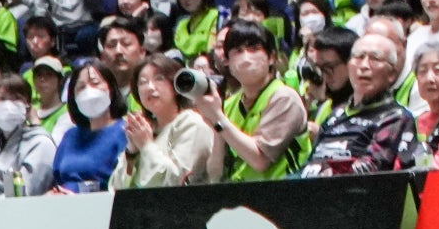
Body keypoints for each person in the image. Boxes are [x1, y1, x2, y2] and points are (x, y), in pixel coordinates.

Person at [196, 19, 309, 182]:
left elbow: (260, 160)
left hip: (284, 191)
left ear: (271, 57)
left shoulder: (284, 98)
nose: (246, 58)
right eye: (238, 51)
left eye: (254, 49)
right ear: (227, 61)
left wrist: (218, 118)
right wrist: (216, 123)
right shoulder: (229, 104)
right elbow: (215, 173)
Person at [304, 30, 420, 175]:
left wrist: (324, 172)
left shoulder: (395, 117)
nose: (364, 66)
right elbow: (309, 163)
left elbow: (372, 168)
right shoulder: (335, 115)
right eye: (359, 57)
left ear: (391, 74)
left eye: (375, 58)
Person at [114, 54, 214, 188]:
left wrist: (146, 145)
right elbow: (115, 188)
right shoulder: (144, 130)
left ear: (175, 86)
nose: (150, 87)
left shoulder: (191, 123)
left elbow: (174, 183)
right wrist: (131, 152)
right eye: (142, 82)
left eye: (159, 79)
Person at [0, 71, 55, 197]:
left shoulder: (41, 143)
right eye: (2, 99)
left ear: (28, 107)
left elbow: (24, 193)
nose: (8, 105)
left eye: (16, 99)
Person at [55, 61, 129, 192]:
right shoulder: (70, 135)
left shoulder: (125, 131)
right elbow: (57, 178)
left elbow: (124, 181)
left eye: (95, 83)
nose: (88, 91)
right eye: (81, 87)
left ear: (111, 89)